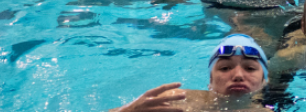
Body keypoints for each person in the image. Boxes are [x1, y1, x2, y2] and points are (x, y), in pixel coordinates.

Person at [112, 34, 270, 112]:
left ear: (264, 81)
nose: (238, 75)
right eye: (225, 68)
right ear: (210, 81)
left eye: (249, 68)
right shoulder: (175, 101)